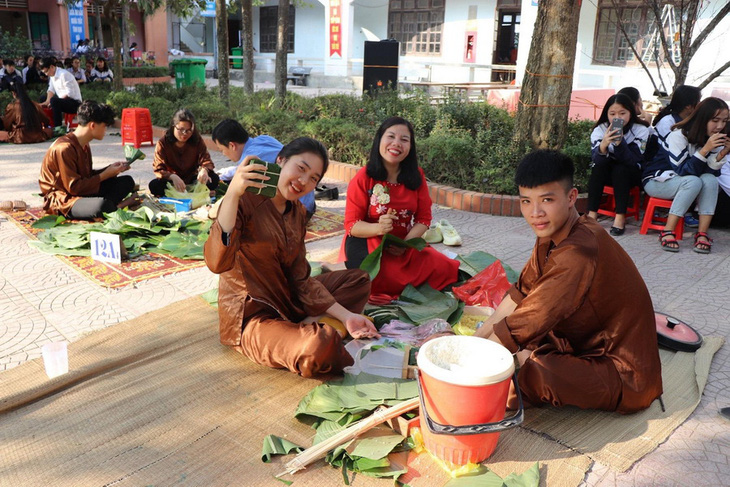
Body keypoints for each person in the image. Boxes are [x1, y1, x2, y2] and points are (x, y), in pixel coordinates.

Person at [475, 149, 662, 414]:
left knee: (538, 374)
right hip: (582, 343)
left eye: (547, 199)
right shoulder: (552, 231)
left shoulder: (579, 250)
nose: (535, 212)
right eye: (526, 201)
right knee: (521, 338)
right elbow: (521, 294)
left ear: (571, 197)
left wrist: (466, 368)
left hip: (621, 370)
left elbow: (534, 316)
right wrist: (475, 341)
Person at [204, 137, 378, 377]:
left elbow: (300, 277)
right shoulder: (245, 199)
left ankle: (306, 324)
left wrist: (348, 317)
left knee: (358, 280)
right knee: (318, 347)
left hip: (289, 299)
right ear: (280, 161)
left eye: (314, 178)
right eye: (301, 168)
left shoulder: (297, 211)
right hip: (253, 317)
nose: (303, 181)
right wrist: (232, 192)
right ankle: (305, 330)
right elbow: (216, 263)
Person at [342, 116, 460, 300]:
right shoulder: (364, 177)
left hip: (406, 244)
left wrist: (406, 244)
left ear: (410, 147)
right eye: (390, 136)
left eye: (404, 140)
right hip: (370, 243)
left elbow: (423, 219)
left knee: (446, 269)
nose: (396, 144)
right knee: (374, 279)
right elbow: (351, 225)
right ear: (379, 139)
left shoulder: (417, 176)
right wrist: (379, 228)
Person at [643, 97, 729, 253]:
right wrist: (705, 150)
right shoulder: (678, 135)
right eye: (715, 120)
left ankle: (702, 233)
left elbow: (710, 173)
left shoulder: (714, 139)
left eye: (724, 121)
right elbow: (683, 170)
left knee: (710, 180)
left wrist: (721, 154)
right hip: (657, 181)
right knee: (693, 181)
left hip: (686, 182)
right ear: (702, 118)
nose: (720, 126)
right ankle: (667, 231)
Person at [39, 100, 135, 219]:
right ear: (92, 125)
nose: (105, 131)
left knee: (127, 181)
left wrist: (111, 170)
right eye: (104, 126)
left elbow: (87, 176)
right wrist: (105, 174)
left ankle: (110, 207)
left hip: (82, 192)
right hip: (64, 200)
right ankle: (117, 207)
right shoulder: (64, 148)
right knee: (102, 205)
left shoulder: (84, 144)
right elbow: (74, 188)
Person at [215, 119, 317, 216]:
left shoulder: (250, 161)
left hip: (297, 212)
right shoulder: (264, 138)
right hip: (309, 203)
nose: (223, 154)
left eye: (222, 150)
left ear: (232, 146)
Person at [586, 93, 650, 235]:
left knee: (621, 169)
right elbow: (596, 160)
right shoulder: (600, 130)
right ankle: (592, 215)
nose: (617, 118)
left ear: (630, 113)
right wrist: (603, 145)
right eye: (612, 113)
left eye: (622, 113)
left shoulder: (641, 130)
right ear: (606, 114)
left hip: (632, 173)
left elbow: (633, 161)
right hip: (606, 172)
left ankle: (620, 217)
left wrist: (620, 143)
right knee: (598, 167)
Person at [648, 85, 703, 227]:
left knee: (705, 177)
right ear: (690, 106)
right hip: (661, 169)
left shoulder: (690, 123)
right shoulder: (668, 122)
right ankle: (677, 217)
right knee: (692, 177)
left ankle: (693, 216)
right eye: (699, 102)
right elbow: (673, 153)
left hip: (677, 166)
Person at [149, 108, 218, 197]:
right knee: (154, 186)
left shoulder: (197, 140)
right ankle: (194, 193)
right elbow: (158, 168)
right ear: (173, 126)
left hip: (192, 179)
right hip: (173, 181)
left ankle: (189, 192)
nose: (185, 133)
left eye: (189, 130)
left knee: (214, 179)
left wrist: (204, 170)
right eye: (181, 129)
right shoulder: (163, 143)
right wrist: (172, 176)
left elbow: (206, 160)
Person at [38, 56, 82, 128]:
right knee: (43, 98)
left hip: (74, 103)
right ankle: (48, 124)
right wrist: (46, 101)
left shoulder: (64, 74)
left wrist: (51, 102)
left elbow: (69, 94)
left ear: (52, 67)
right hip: (62, 100)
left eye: (46, 71)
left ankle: (58, 127)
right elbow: (51, 90)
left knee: (54, 101)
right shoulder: (52, 76)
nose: (46, 74)